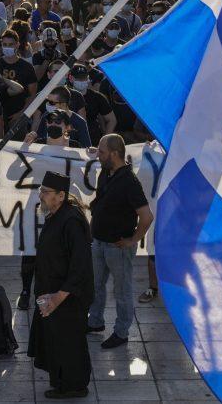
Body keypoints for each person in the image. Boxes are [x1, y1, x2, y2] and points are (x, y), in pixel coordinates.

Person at [27, 171, 94, 399]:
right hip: (53, 293)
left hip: (68, 297)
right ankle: (61, 382)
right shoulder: (55, 215)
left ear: (61, 195)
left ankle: (74, 387)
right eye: (41, 191)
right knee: (57, 340)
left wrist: (58, 297)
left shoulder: (72, 222)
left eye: (46, 192)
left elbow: (79, 266)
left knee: (69, 342)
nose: (41, 196)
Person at [86, 134, 153, 349]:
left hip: (117, 247)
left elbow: (147, 216)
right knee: (95, 286)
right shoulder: (105, 172)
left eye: (102, 152)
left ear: (114, 154)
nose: (99, 156)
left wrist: (133, 240)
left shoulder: (130, 182)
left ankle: (121, 332)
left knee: (122, 292)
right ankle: (95, 322)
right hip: (98, 242)